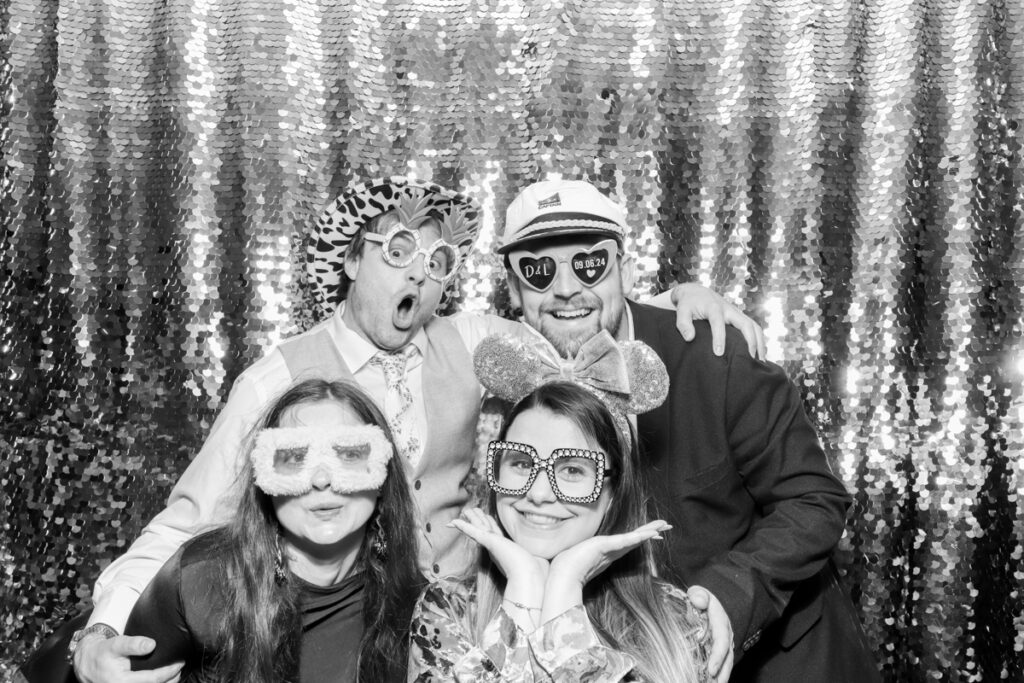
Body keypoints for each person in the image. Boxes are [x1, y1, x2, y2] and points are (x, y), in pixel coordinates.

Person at [70, 176, 763, 682]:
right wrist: (104, 628)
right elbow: (183, 523)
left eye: (439, 264)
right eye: (398, 249)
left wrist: (676, 305)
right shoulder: (277, 380)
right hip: (340, 632)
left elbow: (574, 323)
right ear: (348, 260)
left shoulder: (467, 341)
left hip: (466, 624)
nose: (421, 277)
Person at [496, 178, 880, 682]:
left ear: (624, 271)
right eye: (539, 270)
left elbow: (812, 500)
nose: (567, 288)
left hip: (776, 661)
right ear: (513, 287)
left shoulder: (713, 356)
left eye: (589, 264)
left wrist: (729, 597)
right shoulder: (508, 379)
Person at [409, 333, 710, 682]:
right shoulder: (446, 611)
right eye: (521, 463)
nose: (538, 493)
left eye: (571, 469)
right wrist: (523, 590)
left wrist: (565, 595)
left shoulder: (676, 622)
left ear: (615, 490)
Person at [121, 377, 422, 682]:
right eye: (293, 457)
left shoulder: (416, 606)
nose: (321, 479)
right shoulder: (204, 578)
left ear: (382, 476)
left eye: (349, 454)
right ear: (266, 483)